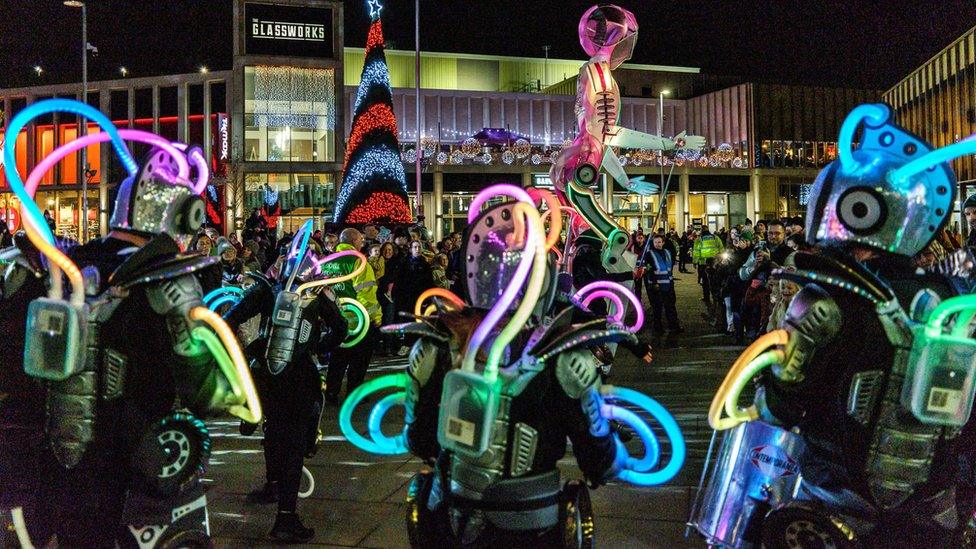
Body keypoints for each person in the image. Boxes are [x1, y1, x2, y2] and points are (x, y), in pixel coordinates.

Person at [707, 104, 976, 546]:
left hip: (835, 503)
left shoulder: (828, 301)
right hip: (933, 509)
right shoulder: (955, 299)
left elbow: (779, 409)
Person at [27, 139, 255, 547]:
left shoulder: (61, 269)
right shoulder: (170, 282)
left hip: (55, 469)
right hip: (137, 473)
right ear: (181, 214)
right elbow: (210, 391)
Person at [224, 242, 348, 543]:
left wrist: (244, 351)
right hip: (300, 377)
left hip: (267, 373)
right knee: (294, 444)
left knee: (273, 429)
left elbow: (231, 316)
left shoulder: (267, 289)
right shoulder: (315, 296)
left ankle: (272, 483)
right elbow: (341, 328)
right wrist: (314, 348)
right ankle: (286, 517)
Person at [321, 228, 381, 402]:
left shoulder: (328, 260)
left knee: (338, 357)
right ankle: (354, 394)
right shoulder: (359, 262)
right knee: (359, 360)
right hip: (357, 319)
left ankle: (331, 391)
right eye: (361, 240)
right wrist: (374, 318)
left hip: (335, 317)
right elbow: (367, 293)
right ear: (355, 241)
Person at [392, 240, 435, 355]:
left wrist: (428, 297)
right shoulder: (404, 264)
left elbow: (429, 282)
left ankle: (419, 346)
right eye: (415, 247)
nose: (417, 249)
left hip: (420, 298)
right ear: (410, 249)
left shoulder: (425, 264)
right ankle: (407, 344)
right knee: (408, 321)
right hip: (407, 297)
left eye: (419, 247)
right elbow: (399, 281)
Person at [642, 234, 682, 334]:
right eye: (655, 242)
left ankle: (674, 326)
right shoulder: (649, 254)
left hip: (668, 284)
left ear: (663, 243)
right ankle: (658, 328)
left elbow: (669, 267)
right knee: (657, 308)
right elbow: (648, 270)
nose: (657, 244)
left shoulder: (667, 252)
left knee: (671, 307)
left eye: (659, 242)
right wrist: (654, 282)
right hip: (656, 286)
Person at [692, 226, 723, 305]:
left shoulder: (699, 240)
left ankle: (706, 297)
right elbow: (721, 248)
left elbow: (696, 252)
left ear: (702, 231)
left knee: (705, 281)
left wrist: (695, 262)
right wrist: (720, 259)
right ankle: (716, 296)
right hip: (715, 263)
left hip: (703, 263)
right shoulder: (715, 238)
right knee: (716, 280)